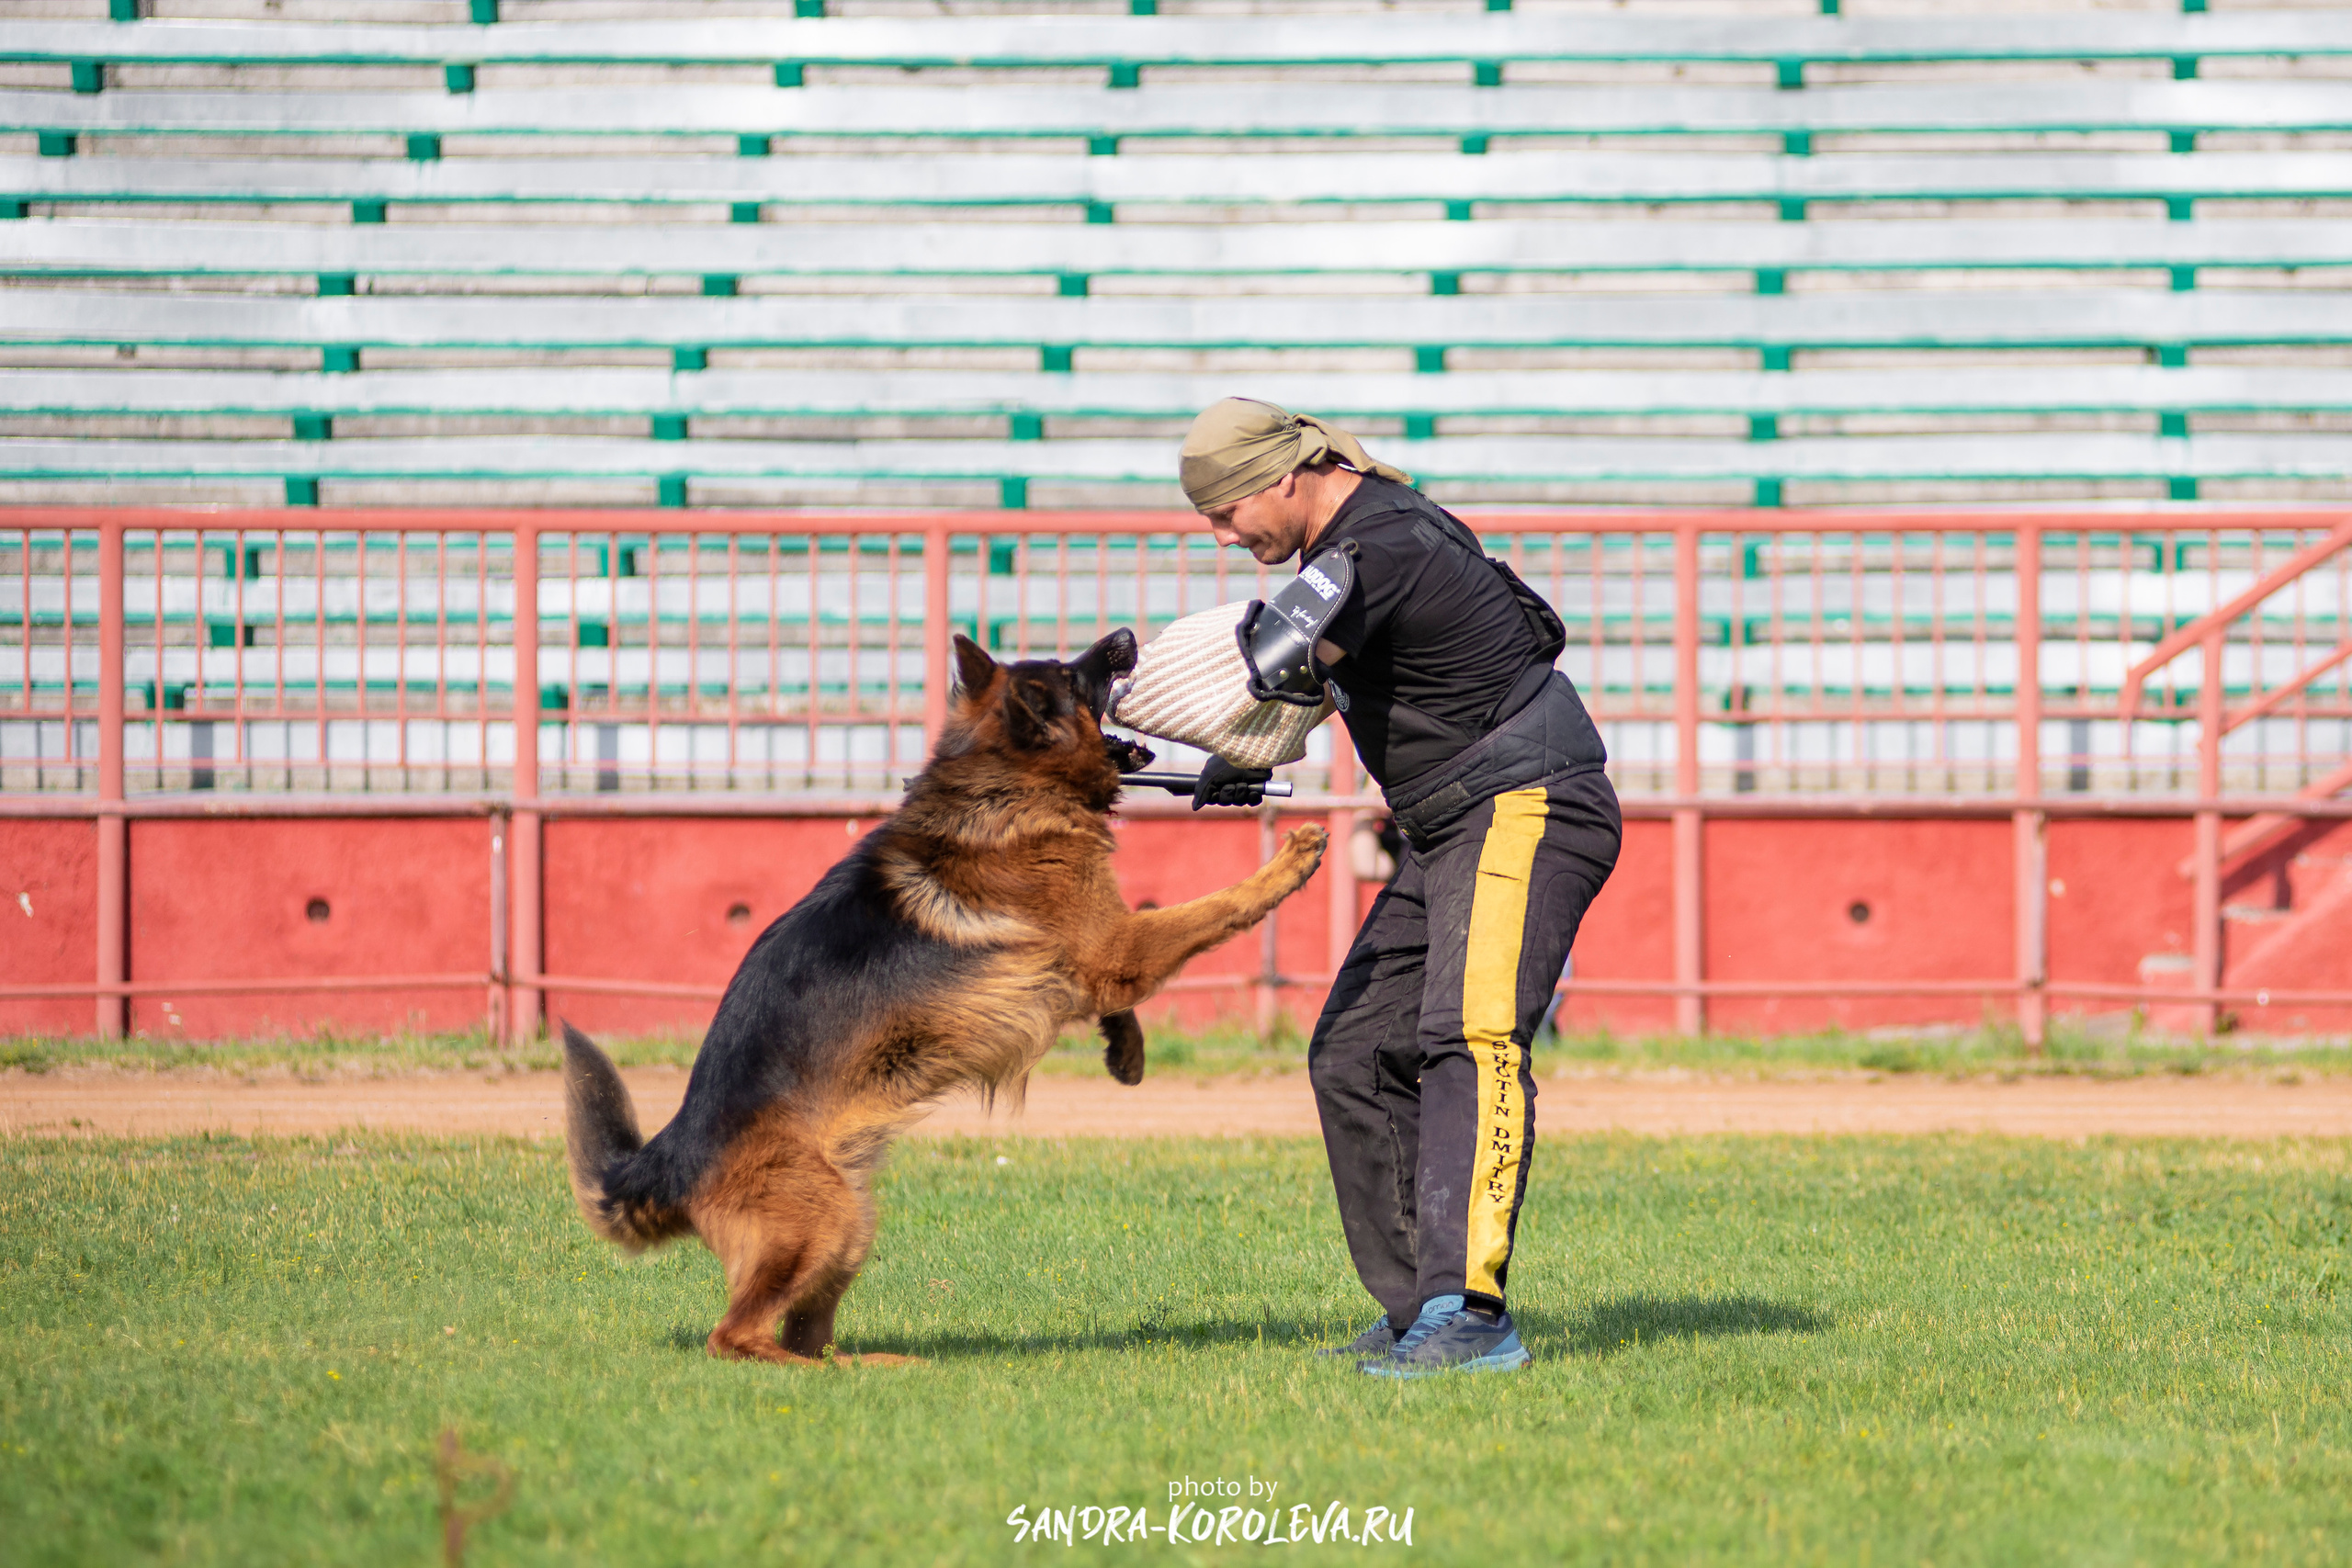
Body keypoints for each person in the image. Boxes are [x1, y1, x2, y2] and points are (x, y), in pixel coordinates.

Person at [1180, 398, 1622, 1379]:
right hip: (1447, 825)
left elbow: (1272, 659)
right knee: (1353, 1052)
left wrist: (1147, 705)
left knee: (1470, 1038)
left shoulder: (1376, 541)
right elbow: (1313, 678)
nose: (1221, 536)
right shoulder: (1350, 551)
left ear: (1282, 478)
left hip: (1525, 802)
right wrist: (1245, 756)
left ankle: (1472, 1314)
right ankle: (1420, 1310)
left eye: (1224, 513)